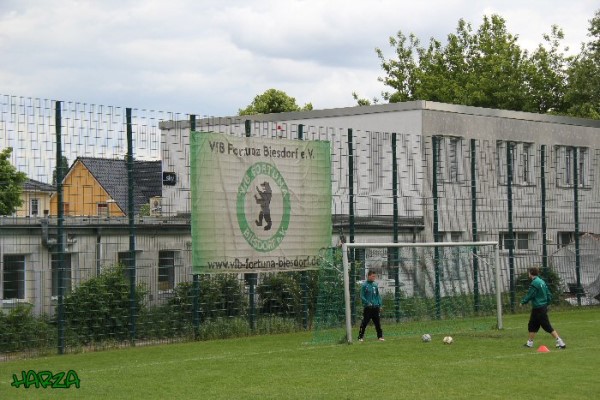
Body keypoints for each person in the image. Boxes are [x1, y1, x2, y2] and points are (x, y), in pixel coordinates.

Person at [520, 267, 566, 349]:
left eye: (528, 273)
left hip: (539, 308)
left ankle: (560, 342)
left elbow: (531, 294)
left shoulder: (535, 283)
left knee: (546, 326)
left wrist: (523, 302)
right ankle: (529, 343)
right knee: (532, 325)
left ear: (530, 273)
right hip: (540, 307)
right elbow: (548, 293)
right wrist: (547, 302)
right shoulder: (541, 281)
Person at [358, 270, 384, 342]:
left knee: (378, 323)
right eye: (373, 276)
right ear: (368, 276)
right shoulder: (364, 285)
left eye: (374, 276)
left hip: (375, 307)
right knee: (365, 322)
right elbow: (362, 296)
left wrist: (380, 304)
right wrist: (367, 302)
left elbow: (378, 295)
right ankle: (360, 337)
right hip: (368, 308)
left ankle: (380, 336)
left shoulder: (375, 285)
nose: (374, 278)